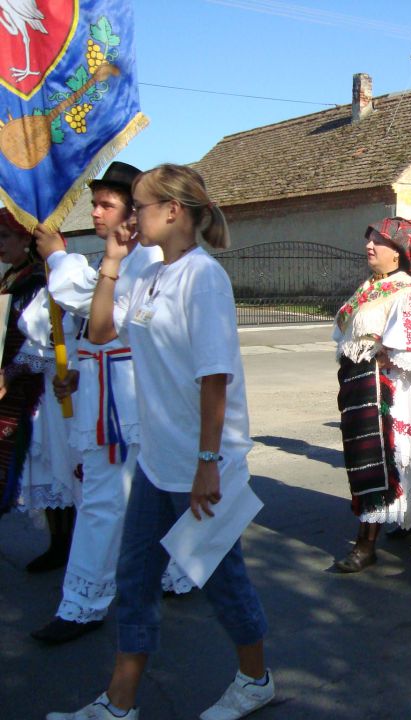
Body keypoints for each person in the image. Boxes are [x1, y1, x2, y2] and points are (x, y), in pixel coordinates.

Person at [48, 164, 274, 720]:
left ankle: (255, 679)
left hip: (203, 461)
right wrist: (113, 262)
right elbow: (100, 331)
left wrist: (207, 463)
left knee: (222, 582)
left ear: (172, 211)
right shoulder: (146, 275)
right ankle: (119, 702)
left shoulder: (203, 277)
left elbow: (215, 375)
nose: (131, 217)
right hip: (157, 461)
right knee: (136, 580)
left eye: (141, 206)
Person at [31, 162, 192, 646]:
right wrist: (80, 372)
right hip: (112, 392)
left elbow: (92, 308)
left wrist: (60, 258)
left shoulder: (145, 259)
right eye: (95, 203)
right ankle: (177, 573)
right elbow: (100, 334)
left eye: (108, 204)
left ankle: (83, 604)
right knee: (142, 495)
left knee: (105, 502)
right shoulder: (129, 256)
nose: (96, 213)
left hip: (128, 404)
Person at [332, 217, 411, 573]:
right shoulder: (371, 287)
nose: (369, 246)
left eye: (379, 241)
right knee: (372, 457)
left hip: (385, 389)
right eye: (370, 239)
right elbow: (344, 330)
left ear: (399, 253)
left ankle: (366, 543)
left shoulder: (405, 292)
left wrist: (383, 351)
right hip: (359, 380)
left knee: (376, 460)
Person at [0, 209, 79, 572]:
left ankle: (68, 546)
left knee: (55, 464)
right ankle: (58, 544)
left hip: (48, 392)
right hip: (30, 391)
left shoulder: (42, 280)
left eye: (4, 237)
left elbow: (41, 344)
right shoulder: (15, 277)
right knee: (44, 469)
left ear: (27, 242)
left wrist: (9, 374)